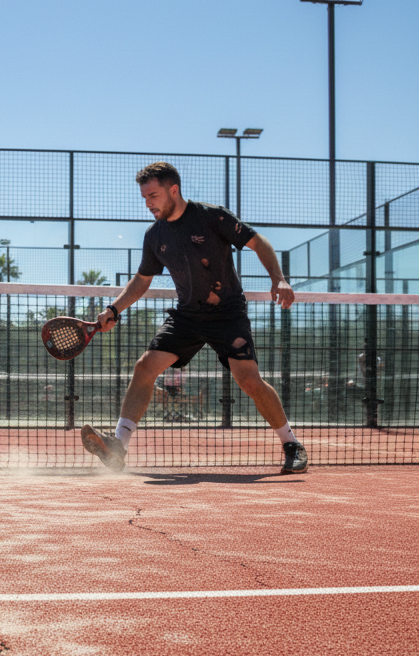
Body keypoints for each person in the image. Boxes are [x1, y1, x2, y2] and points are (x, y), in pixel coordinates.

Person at [80, 162, 308, 475]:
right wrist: (114, 309)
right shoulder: (154, 235)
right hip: (187, 315)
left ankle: (292, 444)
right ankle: (118, 448)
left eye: (153, 195)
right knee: (145, 367)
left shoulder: (211, 216)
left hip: (227, 313)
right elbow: (142, 279)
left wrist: (278, 278)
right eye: (144, 197)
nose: (148, 203)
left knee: (249, 381)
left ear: (174, 190)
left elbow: (258, 242)